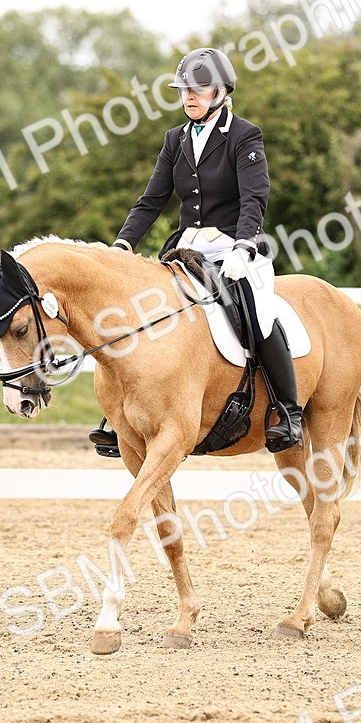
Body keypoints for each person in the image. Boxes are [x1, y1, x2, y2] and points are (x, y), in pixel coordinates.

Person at [90, 47, 303, 454]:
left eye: (199, 89)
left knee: (257, 314)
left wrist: (242, 245)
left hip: (238, 249)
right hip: (188, 250)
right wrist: (122, 244)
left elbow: (254, 198)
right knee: (144, 310)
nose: (190, 96)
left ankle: (287, 410)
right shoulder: (176, 139)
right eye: (184, 89)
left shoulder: (245, 135)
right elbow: (151, 201)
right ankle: (123, 415)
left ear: (222, 91)